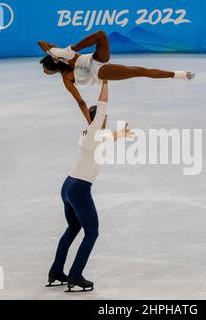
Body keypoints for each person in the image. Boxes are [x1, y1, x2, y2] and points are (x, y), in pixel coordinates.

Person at [46, 80, 133, 292]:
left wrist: (119, 134)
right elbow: (102, 107)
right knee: (92, 232)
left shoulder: (88, 134)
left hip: (68, 185)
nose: (105, 120)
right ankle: (75, 275)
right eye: (103, 119)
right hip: (79, 190)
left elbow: (104, 136)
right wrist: (105, 80)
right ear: (98, 120)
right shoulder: (95, 129)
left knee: (73, 228)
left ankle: (56, 271)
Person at [38, 30, 194, 124]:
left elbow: (41, 42)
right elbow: (81, 102)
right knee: (139, 71)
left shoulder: (67, 57)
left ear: (53, 67)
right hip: (99, 72)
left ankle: (74, 46)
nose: (45, 73)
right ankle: (178, 75)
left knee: (101, 35)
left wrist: (53, 52)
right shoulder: (67, 78)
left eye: (46, 70)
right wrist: (90, 123)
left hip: (95, 59)